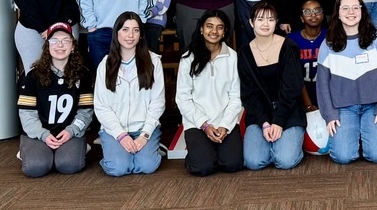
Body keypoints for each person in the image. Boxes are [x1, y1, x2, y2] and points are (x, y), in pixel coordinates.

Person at [317, 0, 377, 165]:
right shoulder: (328, 43)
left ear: (362, 11)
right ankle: (356, 136)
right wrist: (329, 115)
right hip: (343, 108)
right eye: (345, 8)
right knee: (342, 157)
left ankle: (367, 135)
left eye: (355, 7)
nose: (350, 12)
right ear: (338, 13)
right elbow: (322, 85)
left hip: (373, 107)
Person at [93, 13, 165, 177]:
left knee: (148, 166)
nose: (130, 35)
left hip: (143, 128)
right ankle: (122, 155)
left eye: (135, 30)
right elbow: (101, 106)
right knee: (117, 168)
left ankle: (147, 151)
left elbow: (157, 103)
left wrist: (144, 135)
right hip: (115, 129)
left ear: (141, 35)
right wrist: (121, 135)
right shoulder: (105, 64)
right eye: (125, 30)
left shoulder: (154, 62)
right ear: (117, 33)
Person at [16, 23, 93, 177]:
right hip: (40, 133)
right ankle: (29, 149)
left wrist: (72, 131)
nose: (60, 45)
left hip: (69, 132)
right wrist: (42, 134)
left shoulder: (82, 75)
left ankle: (79, 147)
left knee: (68, 165)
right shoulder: (32, 76)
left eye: (65, 40)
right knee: (36, 168)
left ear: (72, 46)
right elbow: (26, 113)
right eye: (54, 41)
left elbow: (85, 111)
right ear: (47, 46)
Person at [238, 2, 307, 170]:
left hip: (288, 110)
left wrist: (278, 121)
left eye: (270, 19)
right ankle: (273, 144)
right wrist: (265, 123)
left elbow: (292, 89)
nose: (266, 23)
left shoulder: (289, 47)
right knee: (253, 162)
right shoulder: (244, 53)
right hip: (260, 113)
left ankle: (285, 145)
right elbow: (249, 93)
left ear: (276, 23)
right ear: (251, 22)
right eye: (260, 19)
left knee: (285, 161)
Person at [176, 10, 243, 176]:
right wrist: (204, 125)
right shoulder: (188, 58)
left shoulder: (233, 57)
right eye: (209, 26)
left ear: (225, 31)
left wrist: (225, 125)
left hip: (224, 121)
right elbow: (183, 99)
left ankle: (212, 151)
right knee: (202, 168)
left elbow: (236, 97)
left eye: (220, 27)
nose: (214, 31)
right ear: (201, 29)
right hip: (197, 122)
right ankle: (200, 153)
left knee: (233, 164)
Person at [287, 0, 327, 111]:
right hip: (300, 94)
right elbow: (294, 75)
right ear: (302, 18)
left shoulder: (331, 37)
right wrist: (308, 104)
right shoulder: (291, 40)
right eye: (307, 12)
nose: (313, 15)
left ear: (323, 15)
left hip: (327, 92)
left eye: (317, 10)